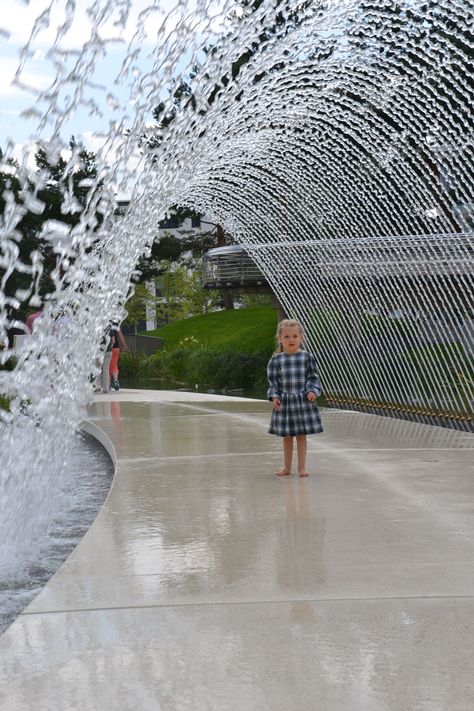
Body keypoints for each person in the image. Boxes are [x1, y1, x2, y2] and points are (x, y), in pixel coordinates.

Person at [267, 318, 323, 477]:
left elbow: (313, 377)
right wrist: (274, 397)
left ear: (301, 338)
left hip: (302, 401)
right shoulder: (276, 360)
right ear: (280, 339)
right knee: (286, 436)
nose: (291, 340)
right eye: (286, 337)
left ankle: (301, 468)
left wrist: (312, 391)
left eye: (294, 336)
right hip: (285, 402)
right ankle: (286, 467)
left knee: (301, 435)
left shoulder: (307, 357)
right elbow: (273, 382)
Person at [109, 321, 128, 391]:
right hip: (116, 348)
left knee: (107, 366)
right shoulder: (115, 323)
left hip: (107, 348)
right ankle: (116, 380)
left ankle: (108, 385)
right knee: (114, 365)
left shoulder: (103, 322)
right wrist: (124, 344)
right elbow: (120, 334)